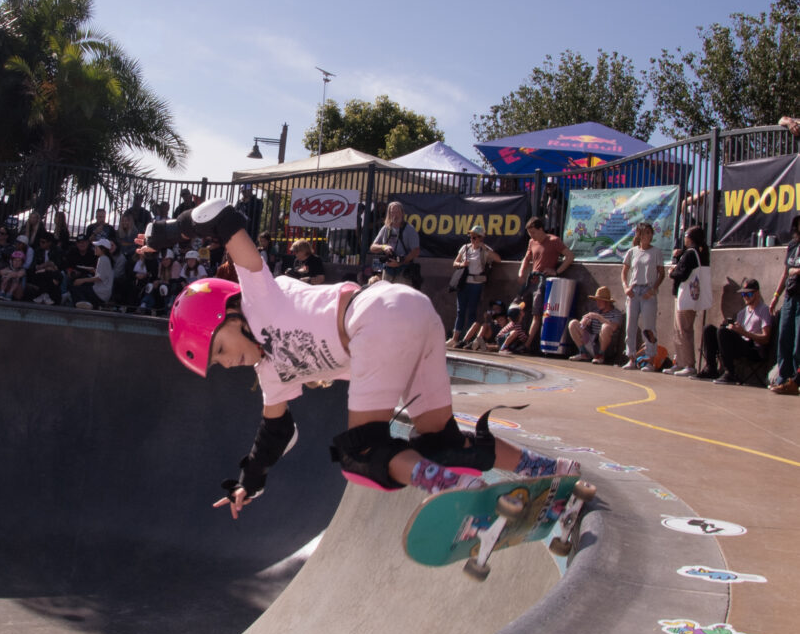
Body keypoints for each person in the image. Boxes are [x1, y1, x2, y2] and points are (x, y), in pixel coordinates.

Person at [139, 198, 580, 516]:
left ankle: (459, 489)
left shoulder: (256, 291)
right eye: (218, 363)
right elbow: (275, 434)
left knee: (361, 455)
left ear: (228, 314)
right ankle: (549, 469)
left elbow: (221, 215)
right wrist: (247, 484)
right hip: (413, 317)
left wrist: (167, 232)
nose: (228, 361)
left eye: (220, 348)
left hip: (377, 315)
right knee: (441, 443)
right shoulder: (270, 371)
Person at [516, 216, 574, 352]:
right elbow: (526, 258)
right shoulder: (531, 242)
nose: (532, 236)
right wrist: (521, 272)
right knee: (519, 310)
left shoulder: (554, 241)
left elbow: (569, 256)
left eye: (534, 232)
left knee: (537, 314)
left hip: (543, 282)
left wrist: (556, 271)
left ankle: (527, 344)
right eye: (530, 233)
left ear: (541, 229)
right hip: (531, 280)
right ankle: (517, 339)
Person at [698, 279, 772, 385]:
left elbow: (766, 338)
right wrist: (733, 329)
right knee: (709, 329)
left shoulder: (764, 310)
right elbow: (738, 333)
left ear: (757, 293)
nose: (745, 297)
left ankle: (730, 373)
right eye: (743, 294)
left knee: (723, 332)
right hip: (741, 343)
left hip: (754, 349)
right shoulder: (742, 313)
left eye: (749, 294)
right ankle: (711, 368)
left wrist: (744, 333)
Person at [663, 225, 712, 377]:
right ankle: (680, 362)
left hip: (686, 297)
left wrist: (672, 272)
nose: (684, 238)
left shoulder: (691, 253)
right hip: (686, 297)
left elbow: (682, 273)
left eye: (686, 236)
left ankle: (689, 364)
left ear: (690, 238)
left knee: (684, 330)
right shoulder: (697, 252)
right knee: (679, 330)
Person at [446, 225, 502, 348]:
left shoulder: (484, 250)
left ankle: (468, 339)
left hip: (476, 283)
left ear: (481, 238)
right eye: (471, 236)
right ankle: (455, 338)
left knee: (472, 311)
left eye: (475, 237)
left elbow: (498, 259)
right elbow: (455, 263)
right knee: (460, 310)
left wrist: (485, 249)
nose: (473, 239)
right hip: (463, 282)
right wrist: (462, 264)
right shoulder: (465, 248)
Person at [621, 222, 664, 371]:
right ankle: (631, 358)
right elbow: (624, 271)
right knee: (630, 326)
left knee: (649, 327)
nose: (649, 236)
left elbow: (661, 273)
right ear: (639, 235)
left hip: (648, 291)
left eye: (651, 233)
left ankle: (651, 359)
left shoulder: (656, 252)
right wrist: (626, 287)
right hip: (634, 291)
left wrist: (653, 289)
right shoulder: (632, 252)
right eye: (646, 233)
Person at [768, 214, 800, 395]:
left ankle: (796, 381)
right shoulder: (793, 245)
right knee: (784, 338)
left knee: (798, 344)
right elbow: (786, 272)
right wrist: (776, 295)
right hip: (790, 296)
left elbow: (793, 270)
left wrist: (796, 270)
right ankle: (783, 378)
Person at [567, 286, 624, 364]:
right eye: (597, 301)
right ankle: (583, 353)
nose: (597, 303)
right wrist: (584, 323)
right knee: (573, 323)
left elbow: (613, 327)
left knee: (606, 327)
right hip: (592, 343)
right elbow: (583, 328)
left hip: (607, 347)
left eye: (600, 301)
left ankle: (600, 355)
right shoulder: (595, 311)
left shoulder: (616, 314)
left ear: (607, 302)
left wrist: (599, 317)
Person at [369, 201, 420, 286]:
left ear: (402, 213)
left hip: (404, 271)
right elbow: (372, 247)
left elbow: (416, 251)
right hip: (387, 270)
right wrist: (384, 247)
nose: (395, 215)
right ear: (389, 214)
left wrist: (400, 262)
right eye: (392, 212)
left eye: (397, 211)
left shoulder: (409, 229)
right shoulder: (385, 228)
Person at [72, 238, 114, 309]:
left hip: (100, 293)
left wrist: (83, 280)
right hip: (101, 292)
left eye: (97, 247)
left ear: (103, 249)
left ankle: (85, 303)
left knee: (76, 288)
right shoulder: (105, 259)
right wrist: (94, 271)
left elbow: (100, 278)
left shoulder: (103, 259)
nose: (95, 249)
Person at [30, 232, 64, 304]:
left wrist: (48, 267)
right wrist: (45, 265)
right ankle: (46, 295)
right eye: (40, 241)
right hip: (40, 272)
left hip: (52, 272)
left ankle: (44, 294)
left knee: (50, 274)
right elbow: (34, 266)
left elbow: (57, 266)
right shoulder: (38, 251)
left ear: (49, 243)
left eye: (43, 242)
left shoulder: (57, 251)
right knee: (49, 276)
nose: (41, 244)